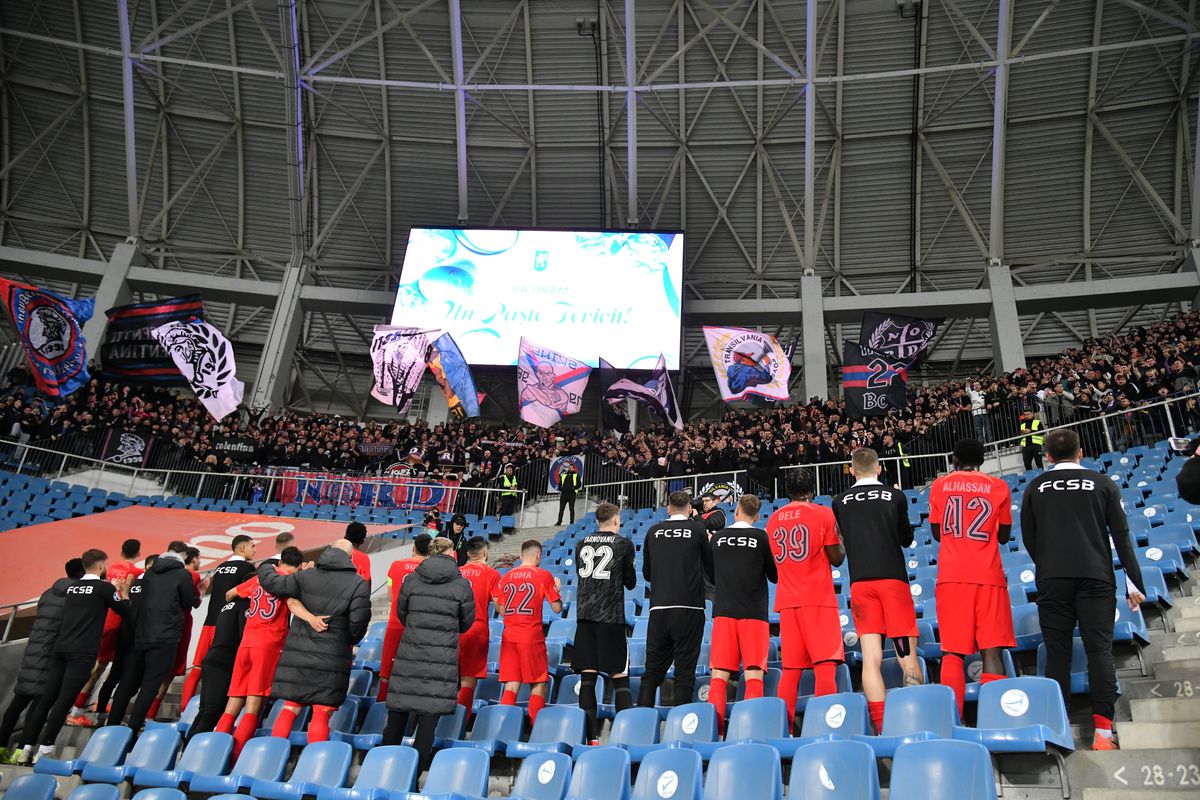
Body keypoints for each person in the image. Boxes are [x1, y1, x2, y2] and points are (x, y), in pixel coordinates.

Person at [1021, 428, 1146, 750]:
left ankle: (1060, 729)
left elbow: (1029, 537)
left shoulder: (1034, 487)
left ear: (1048, 456)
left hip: (1052, 579)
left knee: (1057, 654)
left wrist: (1048, 565)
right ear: (1081, 453)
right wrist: (1134, 582)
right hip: (1096, 576)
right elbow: (1121, 534)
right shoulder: (1102, 483)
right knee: (1099, 651)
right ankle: (1103, 734)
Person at [832, 448, 922, 735]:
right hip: (892, 582)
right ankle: (914, 723)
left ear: (852, 470)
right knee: (906, 654)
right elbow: (906, 539)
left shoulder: (839, 501)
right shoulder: (894, 496)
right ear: (879, 468)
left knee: (870, 657)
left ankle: (882, 729)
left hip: (861, 584)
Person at [13, 550, 131, 765]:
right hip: (82, 652)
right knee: (64, 700)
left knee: (47, 698)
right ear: (101, 566)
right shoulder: (104, 588)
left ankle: (26, 748)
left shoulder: (72, 587)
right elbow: (126, 610)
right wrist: (123, 592)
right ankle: (45, 750)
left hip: (60, 648)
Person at [928, 438, 1015, 717]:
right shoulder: (998, 486)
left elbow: (937, 532)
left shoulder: (939, 485)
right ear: (982, 460)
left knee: (952, 653)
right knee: (992, 651)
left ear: (954, 459)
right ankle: (995, 720)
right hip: (988, 575)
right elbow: (1004, 536)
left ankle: (953, 721)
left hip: (952, 576)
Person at [257, 539, 372, 743]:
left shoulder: (305, 575)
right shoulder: (358, 583)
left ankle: (274, 753)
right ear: (350, 557)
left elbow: (273, 583)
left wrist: (267, 565)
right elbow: (358, 622)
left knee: (290, 707)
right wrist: (347, 639)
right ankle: (313, 758)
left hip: (298, 654)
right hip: (332, 656)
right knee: (322, 711)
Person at [383, 537, 474, 772]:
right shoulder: (461, 584)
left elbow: (402, 613)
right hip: (440, 658)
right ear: (451, 553)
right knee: (428, 721)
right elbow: (466, 622)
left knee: (397, 715)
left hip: (410, 654)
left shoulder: (412, 580)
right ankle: (413, 776)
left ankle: (384, 772)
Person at [766, 471, 846, 729]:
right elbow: (837, 558)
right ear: (812, 489)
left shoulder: (774, 519)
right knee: (825, 665)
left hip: (788, 601)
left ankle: (784, 730)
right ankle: (825, 729)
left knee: (791, 671)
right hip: (817, 598)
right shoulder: (822, 513)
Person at [215, 546, 306, 757]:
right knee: (252, 707)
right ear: (300, 566)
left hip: (246, 643)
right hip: (268, 645)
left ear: (280, 562)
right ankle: (236, 757)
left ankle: (216, 753)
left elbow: (230, 594)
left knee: (232, 704)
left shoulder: (260, 579)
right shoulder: (290, 582)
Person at [108, 541, 196, 735]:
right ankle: (133, 730)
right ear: (183, 556)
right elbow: (190, 601)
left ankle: (111, 726)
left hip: (140, 635)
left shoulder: (149, 574)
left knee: (127, 682)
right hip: (165, 637)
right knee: (150, 685)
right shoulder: (182, 574)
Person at [0, 559, 83, 763]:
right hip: (50, 655)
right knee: (39, 706)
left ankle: (1, 747)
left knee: (17, 702)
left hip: (33, 652)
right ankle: (22, 751)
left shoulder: (48, 593)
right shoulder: (75, 597)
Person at [707, 495, 776, 733]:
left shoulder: (718, 538)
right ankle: (750, 733)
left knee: (719, 677)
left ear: (736, 511)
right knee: (754, 675)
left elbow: (711, 575)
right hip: (754, 614)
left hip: (724, 612)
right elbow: (774, 575)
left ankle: (715, 733)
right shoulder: (761, 537)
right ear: (756, 517)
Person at [638, 491, 713, 709]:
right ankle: (680, 726)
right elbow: (710, 569)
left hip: (659, 609)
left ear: (668, 509)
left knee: (651, 673)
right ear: (689, 509)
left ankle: (643, 721)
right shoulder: (698, 530)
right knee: (685, 673)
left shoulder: (653, 531)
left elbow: (647, 574)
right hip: (690, 607)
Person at [572, 502, 636, 745]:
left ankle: (591, 740)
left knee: (588, 678)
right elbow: (630, 582)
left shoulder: (581, 543)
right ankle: (624, 740)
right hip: (610, 617)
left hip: (585, 617)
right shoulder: (623, 544)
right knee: (620, 676)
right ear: (616, 520)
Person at [179, 535, 257, 710]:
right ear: (242, 548)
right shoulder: (247, 568)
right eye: (252, 546)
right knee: (227, 668)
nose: (255, 550)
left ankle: (184, 710)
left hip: (209, 623)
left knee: (197, 668)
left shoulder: (220, 567)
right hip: (227, 624)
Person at [71, 539, 142, 727]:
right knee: (100, 668)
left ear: (121, 551)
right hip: (117, 622)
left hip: (104, 619)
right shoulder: (137, 573)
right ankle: (77, 709)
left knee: (102, 667)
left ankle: (91, 704)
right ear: (138, 553)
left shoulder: (110, 569)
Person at [495, 540, 561, 725]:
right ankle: (535, 730)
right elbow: (557, 608)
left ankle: (504, 729)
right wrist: (557, 590)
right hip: (531, 635)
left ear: (521, 555)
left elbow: (501, 609)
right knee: (539, 683)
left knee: (511, 684)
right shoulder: (543, 575)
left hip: (509, 636)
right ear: (538, 555)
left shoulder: (507, 576)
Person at [95, 554, 157, 725]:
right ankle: (113, 717)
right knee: (129, 681)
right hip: (136, 638)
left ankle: (102, 714)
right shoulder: (153, 586)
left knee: (114, 676)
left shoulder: (133, 583)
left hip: (124, 634)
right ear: (148, 567)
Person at [377, 533, 432, 701]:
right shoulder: (431, 569)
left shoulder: (395, 566)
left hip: (395, 623)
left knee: (386, 673)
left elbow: (390, 595)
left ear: (413, 548)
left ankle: (380, 708)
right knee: (414, 672)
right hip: (418, 628)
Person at [187, 592, 249, 738]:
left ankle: (189, 745)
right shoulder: (246, 606)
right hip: (224, 661)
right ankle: (195, 748)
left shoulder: (228, 605)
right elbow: (243, 635)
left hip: (212, 656)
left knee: (204, 711)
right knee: (212, 712)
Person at [456, 537, 500, 718]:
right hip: (475, 629)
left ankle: (442, 724)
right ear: (485, 552)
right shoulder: (491, 574)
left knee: (446, 678)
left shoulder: (456, 572)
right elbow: (499, 607)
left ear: (468, 553)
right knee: (468, 680)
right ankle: (460, 723)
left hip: (452, 630)